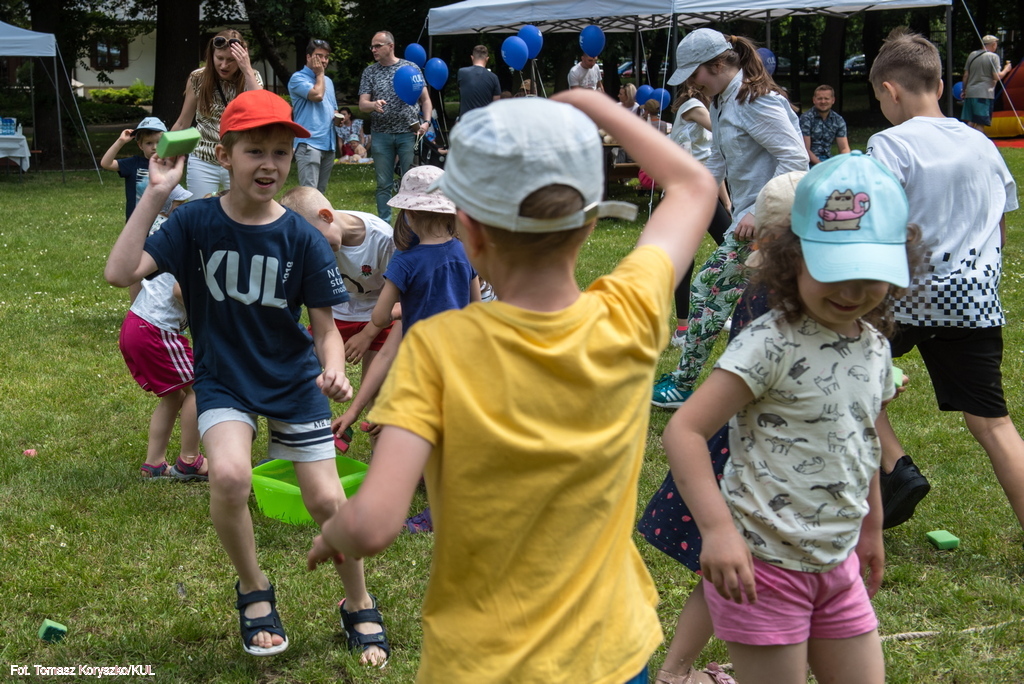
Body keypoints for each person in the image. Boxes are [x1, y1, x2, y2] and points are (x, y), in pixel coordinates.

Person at [305, 89, 718, 683]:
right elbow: (695, 186)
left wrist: (336, 534)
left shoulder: (436, 349)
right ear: (591, 222)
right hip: (611, 649)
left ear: (468, 231)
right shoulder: (629, 314)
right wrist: (592, 103)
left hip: (482, 660)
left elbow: (372, 523)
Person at [104, 89, 389, 666]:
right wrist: (155, 193)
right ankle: (255, 589)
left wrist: (334, 368)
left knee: (327, 500)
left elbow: (326, 329)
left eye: (281, 153)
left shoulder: (303, 237)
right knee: (231, 478)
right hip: (224, 378)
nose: (269, 164)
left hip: (293, 381)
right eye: (255, 150)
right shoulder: (194, 222)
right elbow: (119, 272)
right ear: (225, 154)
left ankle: (357, 598)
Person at [664, 151, 921, 684]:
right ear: (791, 258)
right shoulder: (769, 343)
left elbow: (863, 442)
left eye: (869, 273)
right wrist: (717, 531)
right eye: (834, 271)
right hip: (762, 569)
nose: (851, 291)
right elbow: (684, 430)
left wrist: (872, 526)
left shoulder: (875, 347)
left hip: (838, 565)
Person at [640, 173, 808, 684]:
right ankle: (678, 672)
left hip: (765, 453)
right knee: (736, 574)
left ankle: (678, 671)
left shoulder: (769, 288)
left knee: (730, 577)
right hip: (754, 454)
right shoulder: (778, 304)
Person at [866, 29, 1024, 533]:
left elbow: (878, 227)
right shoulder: (982, 142)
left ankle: (895, 467)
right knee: (994, 425)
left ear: (889, 90)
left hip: (904, 297)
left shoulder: (888, 144)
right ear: (939, 85)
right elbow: (1001, 225)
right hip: (973, 300)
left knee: (833, 369)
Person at [652, 29, 808, 410]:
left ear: (719, 64)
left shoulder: (757, 101)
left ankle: (685, 383)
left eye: (696, 73)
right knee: (768, 303)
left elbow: (795, 159)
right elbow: (718, 161)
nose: (692, 83)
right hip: (749, 220)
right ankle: (771, 378)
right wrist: (693, 198)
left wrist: (757, 211)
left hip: (772, 222)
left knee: (707, 287)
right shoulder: (722, 102)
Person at [279, 186, 396, 395]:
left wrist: (367, 335)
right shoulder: (311, 234)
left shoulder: (384, 239)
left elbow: (398, 299)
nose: (317, 249)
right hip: (336, 315)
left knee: (376, 396)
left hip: (379, 315)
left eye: (317, 241)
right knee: (297, 373)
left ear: (326, 216)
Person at [667, 85, 733, 348]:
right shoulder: (692, 107)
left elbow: (711, 162)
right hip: (683, 195)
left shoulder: (709, 110)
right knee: (686, 261)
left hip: (704, 192)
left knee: (733, 250)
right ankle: (682, 330)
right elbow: (722, 130)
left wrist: (725, 201)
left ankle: (714, 311)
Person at [171, 30, 263, 198]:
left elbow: (260, 109)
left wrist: (247, 69)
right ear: (211, 55)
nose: (224, 65)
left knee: (242, 208)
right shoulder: (198, 78)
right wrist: (165, 152)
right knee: (199, 209)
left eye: (231, 60)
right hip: (203, 157)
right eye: (219, 58)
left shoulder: (252, 77)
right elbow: (183, 122)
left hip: (238, 159)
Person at [359, 30, 432, 221]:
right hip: (381, 134)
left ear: (390, 46)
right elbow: (362, 104)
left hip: (408, 133)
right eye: (372, 46)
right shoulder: (370, 72)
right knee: (383, 183)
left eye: (377, 46)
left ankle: (408, 225)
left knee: (410, 182)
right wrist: (373, 105)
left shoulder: (410, 68)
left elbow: (425, 100)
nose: (373, 50)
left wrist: (426, 122)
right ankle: (385, 225)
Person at [101, 116, 191, 222]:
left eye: (159, 142)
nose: (154, 147)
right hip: (135, 223)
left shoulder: (168, 164)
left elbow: (179, 196)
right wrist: (121, 141)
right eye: (149, 143)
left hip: (162, 224)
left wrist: (170, 215)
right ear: (140, 145)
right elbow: (106, 163)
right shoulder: (133, 163)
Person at [289, 38, 338, 194]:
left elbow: (332, 109)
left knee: (320, 194)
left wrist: (338, 119)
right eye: (319, 56)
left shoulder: (328, 81)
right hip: (309, 143)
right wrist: (320, 74)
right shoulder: (298, 78)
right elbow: (317, 95)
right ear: (308, 57)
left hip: (328, 144)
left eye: (326, 57)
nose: (323, 60)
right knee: (309, 195)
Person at [961, 34, 1012, 131]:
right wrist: (1006, 69)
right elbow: (997, 76)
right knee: (980, 122)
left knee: (971, 121)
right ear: (993, 44)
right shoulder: (993, 57)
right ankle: (979, 141)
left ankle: (964, 139)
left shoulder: (972, 55)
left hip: (970, 93)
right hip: (984, 94)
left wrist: (964, 90)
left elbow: (966, 75)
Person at [799, 85, 851, 165]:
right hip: (809, 162)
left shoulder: (838, 120)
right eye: (819, 99)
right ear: (814, 100)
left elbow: (844, 148)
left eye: (826, 98)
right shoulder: (806, 118)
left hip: (828, 160)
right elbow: (805, 149)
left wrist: (844, 163)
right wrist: (822, 166)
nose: (823, 101)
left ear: (833, 100)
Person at [457, 45, 501, 117]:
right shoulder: (494, 77)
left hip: (466, 120)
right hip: (484, 120)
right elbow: (496, 104)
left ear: (472, 58)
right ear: (487, 59)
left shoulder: (462, 73)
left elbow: (462, 90)